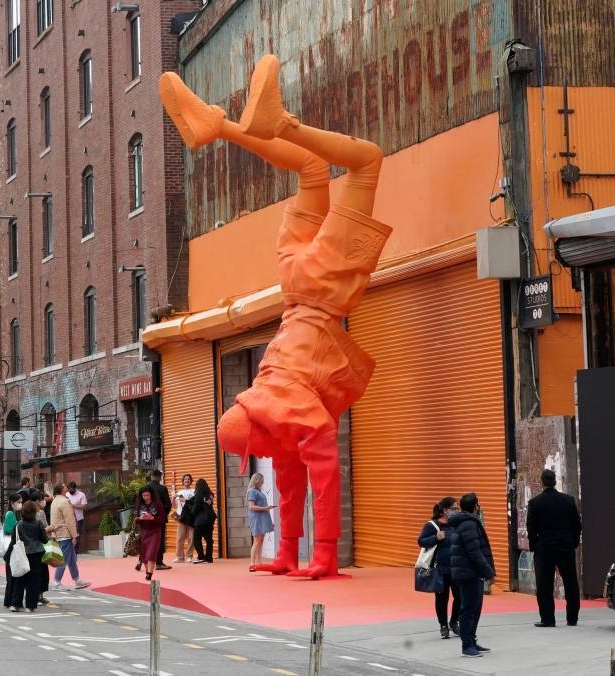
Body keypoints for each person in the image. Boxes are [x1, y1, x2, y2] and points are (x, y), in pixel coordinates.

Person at [162, 54, 390, 578]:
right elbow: (294, 476)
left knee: (369, 160)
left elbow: (325, 470)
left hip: (319, 288)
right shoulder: (272, 402)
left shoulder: (285, 410)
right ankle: (218, 126)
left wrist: (326, 555)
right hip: (291, 285)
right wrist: (290, 554)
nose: (263, 455)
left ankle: (278, 123)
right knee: (311, 169)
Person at [526, 468, 582, 628]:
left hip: (544, 548)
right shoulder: (568, 501)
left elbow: (531, 527)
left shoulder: (535, 503)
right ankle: (572, 618)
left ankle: (548, 618)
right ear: (555, 481)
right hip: (565, 546)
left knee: (544, 585)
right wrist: (573, 542)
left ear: (542, 482)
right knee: (571, 582)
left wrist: (534, 545)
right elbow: (577, 525)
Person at [449, 492, 495, 658]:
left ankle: (472, 640)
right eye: (478, 504)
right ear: (475, 506)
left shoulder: (468, 522)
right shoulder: (468, 524)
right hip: (469, 573)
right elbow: (475, 552)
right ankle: (467, 645)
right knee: (469, 608)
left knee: (474, 608)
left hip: (470, 572)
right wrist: (489, 572)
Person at [417, 497, 461, 639]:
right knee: (442, 598)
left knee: (460, 597)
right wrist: (436, 538)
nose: (456, 511)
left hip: (456, 567)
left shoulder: (456, 524)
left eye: (457, 508)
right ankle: (443, 626)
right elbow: (421, 541)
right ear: (444, 510)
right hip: (440, 569)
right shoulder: (432, 525)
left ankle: (454, 622)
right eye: (453, 508)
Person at [49, 483, 90, 591]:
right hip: (65, 533)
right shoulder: (65, 502)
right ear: (62, 489)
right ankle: (57, 582)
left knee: (71, 559)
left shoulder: (54, 501)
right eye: (65, 486)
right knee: (64, 559)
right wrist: (74, 535)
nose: (66, 487)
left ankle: (77, 580)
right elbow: (70, 520)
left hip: (58, 532)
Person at [14, 500, 53, 612]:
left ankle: (16, 603)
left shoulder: (19, 524)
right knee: (34, 580)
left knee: (20, 578)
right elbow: (44, 540)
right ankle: (30, 605)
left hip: (23, 552)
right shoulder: (38, 524)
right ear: (34, 512)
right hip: (36, 553)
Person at [134, 486, 167, 580]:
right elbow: (137, 519)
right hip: (144, 531)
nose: (146, 497)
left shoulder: (157, 504)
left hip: (155, 531)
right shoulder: (140, 505)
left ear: (151, 495)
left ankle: (149, 573)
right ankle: (147, 571)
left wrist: (153, 518)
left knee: (151, 552)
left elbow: (162, 519)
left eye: (147, 495)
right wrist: (140, 519)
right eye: (144, 495)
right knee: (144, 554)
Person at [246, 472, 275, 572]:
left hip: (262, 517)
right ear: (257, 480)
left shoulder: (259, 491)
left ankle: (259, 562)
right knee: (257, 540)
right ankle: (252, 563)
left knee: (261, 540)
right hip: (257, 518)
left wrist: (266, 508)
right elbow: (251, 506)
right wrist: (265, 508)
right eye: (261, 480)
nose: (263, 482)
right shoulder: (252, 491)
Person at [146, 470, 173, 570]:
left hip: (147, 520)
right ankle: (159, 563)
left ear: (151, 476)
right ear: (159, 477)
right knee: (159, 541)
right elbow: (168, 504)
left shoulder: (145, 488)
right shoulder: (162, 488)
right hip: (159, 520)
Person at [2, 493, 24, 610]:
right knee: (12, 576)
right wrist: (16, 529)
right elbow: (7, 529)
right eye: (19, 502)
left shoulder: (14, 513)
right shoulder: (10, 514)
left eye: (21, 502)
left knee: (11, 576)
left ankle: (8, 600)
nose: (20, 504)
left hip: (12, 548)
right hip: (11, 548)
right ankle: (11, 600)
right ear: (12, 503)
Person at [191, 478, 216, 564]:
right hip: (209, 520)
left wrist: (191, 511)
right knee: (209, 539)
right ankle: (209, 558)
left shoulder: (198, 495)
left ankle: (201, 556)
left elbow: (195, 509)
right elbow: (210, 504)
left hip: (200, 521)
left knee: (196, 539)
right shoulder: (210, 495)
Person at [172, 474, 196, 563]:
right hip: (181, 518)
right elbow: (174, 506)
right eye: (185, 479)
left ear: (191, 481)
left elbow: (193, 504)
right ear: (183, 481)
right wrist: (173, 497)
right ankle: (180, 557)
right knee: (180, 538)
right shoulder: (179, 492)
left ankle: (189, 556)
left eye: (189, 479)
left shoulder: (194, 491)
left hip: (191, 517)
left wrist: (184, 500)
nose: (187, 480)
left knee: (191, 537)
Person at [67, 482, 89, 552]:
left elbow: (85, 506)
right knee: (69, 535)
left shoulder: (81, 495)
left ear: (75, 488)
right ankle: (70, 550)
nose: (70, 492)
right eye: (69, 490)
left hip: (78, 518)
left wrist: (74, 506)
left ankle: (75, 551)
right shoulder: (66, 494)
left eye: (72, 491)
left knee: (77, 535)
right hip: (68, 518)